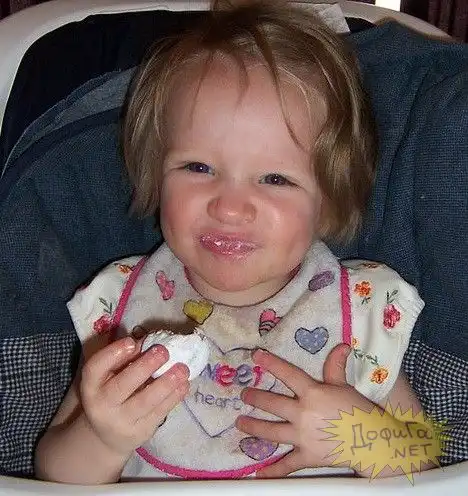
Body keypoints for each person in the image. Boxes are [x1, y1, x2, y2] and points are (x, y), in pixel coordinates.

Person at [35, 0, 427, 484]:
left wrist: (360, 436)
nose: (230, 208)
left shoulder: (361, 312)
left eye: (276, 178)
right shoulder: (119, 309)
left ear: (327, 201)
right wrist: (102, 439)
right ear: (156, 175)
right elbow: (53, 474)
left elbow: (425, 468)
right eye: (198, 167)